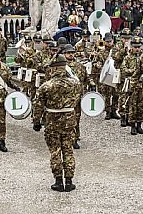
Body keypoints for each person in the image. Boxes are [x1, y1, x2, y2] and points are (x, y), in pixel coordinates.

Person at [32, 54, 82, 192]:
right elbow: (78, 100)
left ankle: (58, 181)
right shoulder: (76, 84)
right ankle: (69, 181)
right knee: (68, 149)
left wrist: (36, 121)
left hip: (52, 120)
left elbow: (38, 105)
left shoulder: (46, 86)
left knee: (55, 151)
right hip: (69, 120)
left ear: (53, 69)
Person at [63, 44, 94, 149]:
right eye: (68, 53)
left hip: (77, 97)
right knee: (65, 119)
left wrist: (92, 84)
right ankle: (66, 138)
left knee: (76, 119)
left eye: (72, 52)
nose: (71, 54)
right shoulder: (61, 67)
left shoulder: (80, 66)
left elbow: (87, 77)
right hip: (65, 98)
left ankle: (75, 138)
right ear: (64, 54)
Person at [121, 36, 143, 135]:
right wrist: (134, 72)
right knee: (132, 105)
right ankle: (132, 126)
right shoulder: (127, 58)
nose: (137, 49)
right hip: (132, 84)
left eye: (139, 47)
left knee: (141, 105)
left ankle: (139, 125)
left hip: (142, 84)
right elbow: (123, 70)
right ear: (131, 47)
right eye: (135, 47)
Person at [93, 32, 120, 120]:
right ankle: (108, 111)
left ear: (113, 41)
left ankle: (114, 110)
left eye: (110, 41)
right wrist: (97, 65)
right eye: (107, 41)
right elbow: (97, 62)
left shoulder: (117, 51)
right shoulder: (101, 52)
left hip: (115, 74)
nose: (109, 43)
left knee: (116, 94)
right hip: (106, 75)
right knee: (107, 94)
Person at [112, 28, 132, 126]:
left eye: (128, 38)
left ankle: (129, 115)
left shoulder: (133, 45)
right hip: (121, 74)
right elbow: (115, 57)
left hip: (131, 74)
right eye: (124, 38)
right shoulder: (118, 46)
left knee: (130, 95)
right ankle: (123, 116)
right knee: (122, 95)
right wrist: (124, 50)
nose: (126, 40)